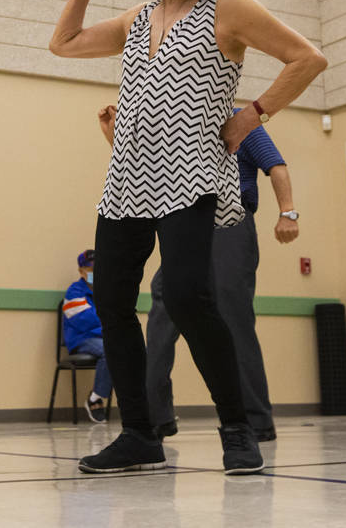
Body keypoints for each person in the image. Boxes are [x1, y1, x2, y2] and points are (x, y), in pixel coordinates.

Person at [48, 0, 326, 475]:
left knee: (188, 297)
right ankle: (139, 435)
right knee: (114, 302)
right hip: (126, 178)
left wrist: (253, 115)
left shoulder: (228, 7)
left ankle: (237, 430)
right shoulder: (137, 18)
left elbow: (307, 57)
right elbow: (65, 42)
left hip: (191, 175)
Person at [99, 105, 296, 443]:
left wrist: (288, 213)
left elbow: (275, 166)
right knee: (162, 308)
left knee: (234, 317)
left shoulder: (240, 118)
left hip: (230, 225)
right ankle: (155, 417)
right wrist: (114, 131)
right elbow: (142, 164)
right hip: (186, 224)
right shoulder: (180, 120)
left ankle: (254, 420)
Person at [61, 249, 113, 423]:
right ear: (81, 271)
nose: (95, 273)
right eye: (91, 270)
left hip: (102, 337)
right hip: (81, 340)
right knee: (110, 350)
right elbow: (87, 322)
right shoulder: (74, 292)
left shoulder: (106, 291)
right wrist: (108, 328)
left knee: (134, 350)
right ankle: (95, 398)